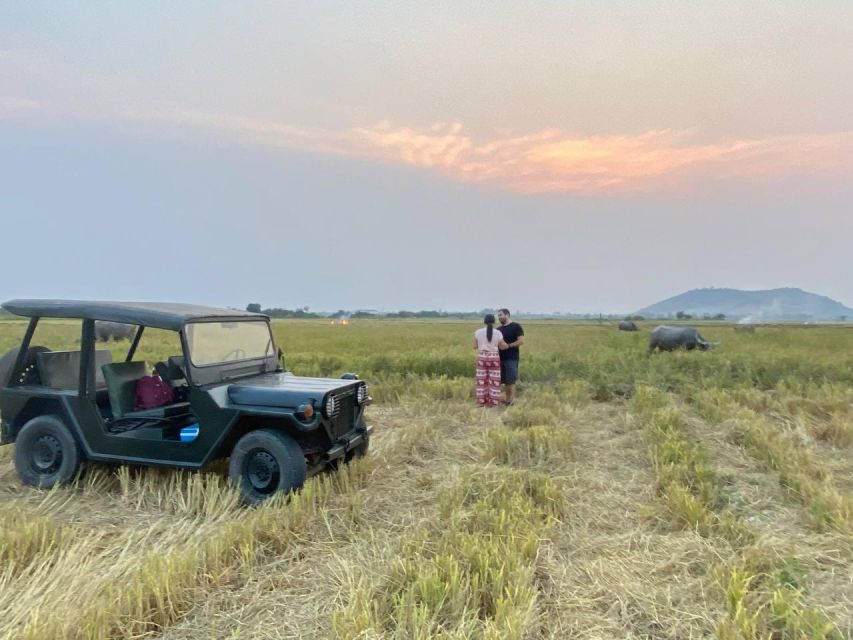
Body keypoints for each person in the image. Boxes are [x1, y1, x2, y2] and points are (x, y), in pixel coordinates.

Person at [473, 314, 507, 407]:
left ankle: (481, 401)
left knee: (481, 380)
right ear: (494, 321)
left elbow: (474, 346)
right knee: (494, 380)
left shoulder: (478, 332)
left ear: (484, 321)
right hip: (494, 358)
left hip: (482, 357)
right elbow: (502, 346)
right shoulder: (498, 333)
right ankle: (494, 402)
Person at [497, 308, 524, 405]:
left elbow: (521, 341)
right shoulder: (498, 329)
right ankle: (502, 399)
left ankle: (510, 401)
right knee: (499, 380)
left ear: (507, 314)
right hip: (499, 358)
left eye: (500, 315)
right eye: (498, 315)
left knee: (510, 380)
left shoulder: (516, 326)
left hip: (511, 358)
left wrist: (508, 346)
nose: (499, 317)